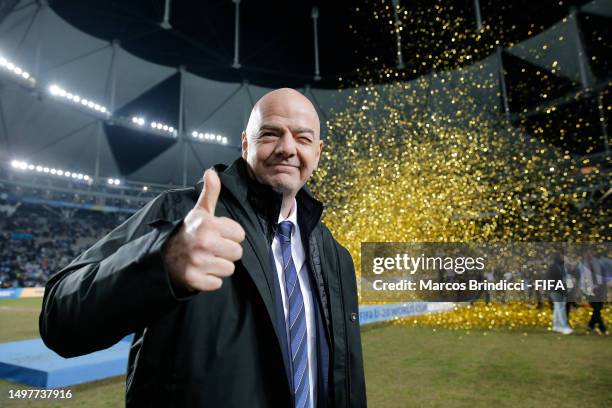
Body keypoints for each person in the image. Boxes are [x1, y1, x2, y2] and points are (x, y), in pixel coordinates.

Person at [39, 88, 367, 407]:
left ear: (319, 151)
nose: (287, 147)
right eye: (269, 134)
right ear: (245, 144)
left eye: (303, 138)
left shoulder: (335, 255)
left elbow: (343, 375)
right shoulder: (181, 215)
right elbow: (59, 320)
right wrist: (160, 262)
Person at [579, 250, 607, 334]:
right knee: (596, 308)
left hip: (600, 289)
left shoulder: (599, 263)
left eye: (590, 252)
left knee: (598, 308)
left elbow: (603, 276)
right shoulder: (582, 265)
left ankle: (590, 326)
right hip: (590, 290)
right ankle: (602, 328)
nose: (589, 254)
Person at [546, 251, 573, 335]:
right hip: (556, 289)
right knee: (560, 307)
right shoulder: (554, 267)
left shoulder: (563, 266)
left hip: (561, 289)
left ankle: (556, 325)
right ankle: (564, 327)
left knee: (558, 308)